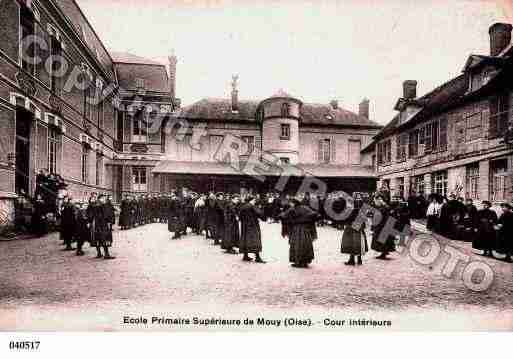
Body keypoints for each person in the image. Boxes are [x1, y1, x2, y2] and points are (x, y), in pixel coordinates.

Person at [280, 198, 319, 268]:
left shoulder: (292, 209)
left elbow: (283, 216)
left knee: (297, 245)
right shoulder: (305, 208)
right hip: (305, 230)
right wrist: (308, 220)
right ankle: (305, 262)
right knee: (306, 245)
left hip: (296, 229)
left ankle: (298, 262)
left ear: (294, 203)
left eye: (291, 203)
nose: (290, 204)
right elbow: (316, 215)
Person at [239, 196, 266, 263]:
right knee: (255, 240)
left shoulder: (243, 206)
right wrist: (262, 210)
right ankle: (257, 257)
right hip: (253, 225)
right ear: (251, 200)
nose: (255, 201)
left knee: (245, 239)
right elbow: (260, 214)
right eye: (254, 200)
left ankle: (245, 255)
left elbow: (240, 217)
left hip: (245, 226)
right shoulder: (252, 206)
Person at [340, 199, 368, 265]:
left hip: (354, 228)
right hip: (353, 228)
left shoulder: (355, 210)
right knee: (353, 243)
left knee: (355, 243)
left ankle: (355, 259)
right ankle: (355, 259)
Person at [370, 194, 395, 260]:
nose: (375, 202)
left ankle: (384, 253)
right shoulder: (383, 207)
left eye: (375, 200)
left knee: (382, 240)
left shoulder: (383, 208)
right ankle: (383, 253)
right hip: (384, 225)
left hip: (383, 226)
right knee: (383, 240)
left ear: (379, 200)